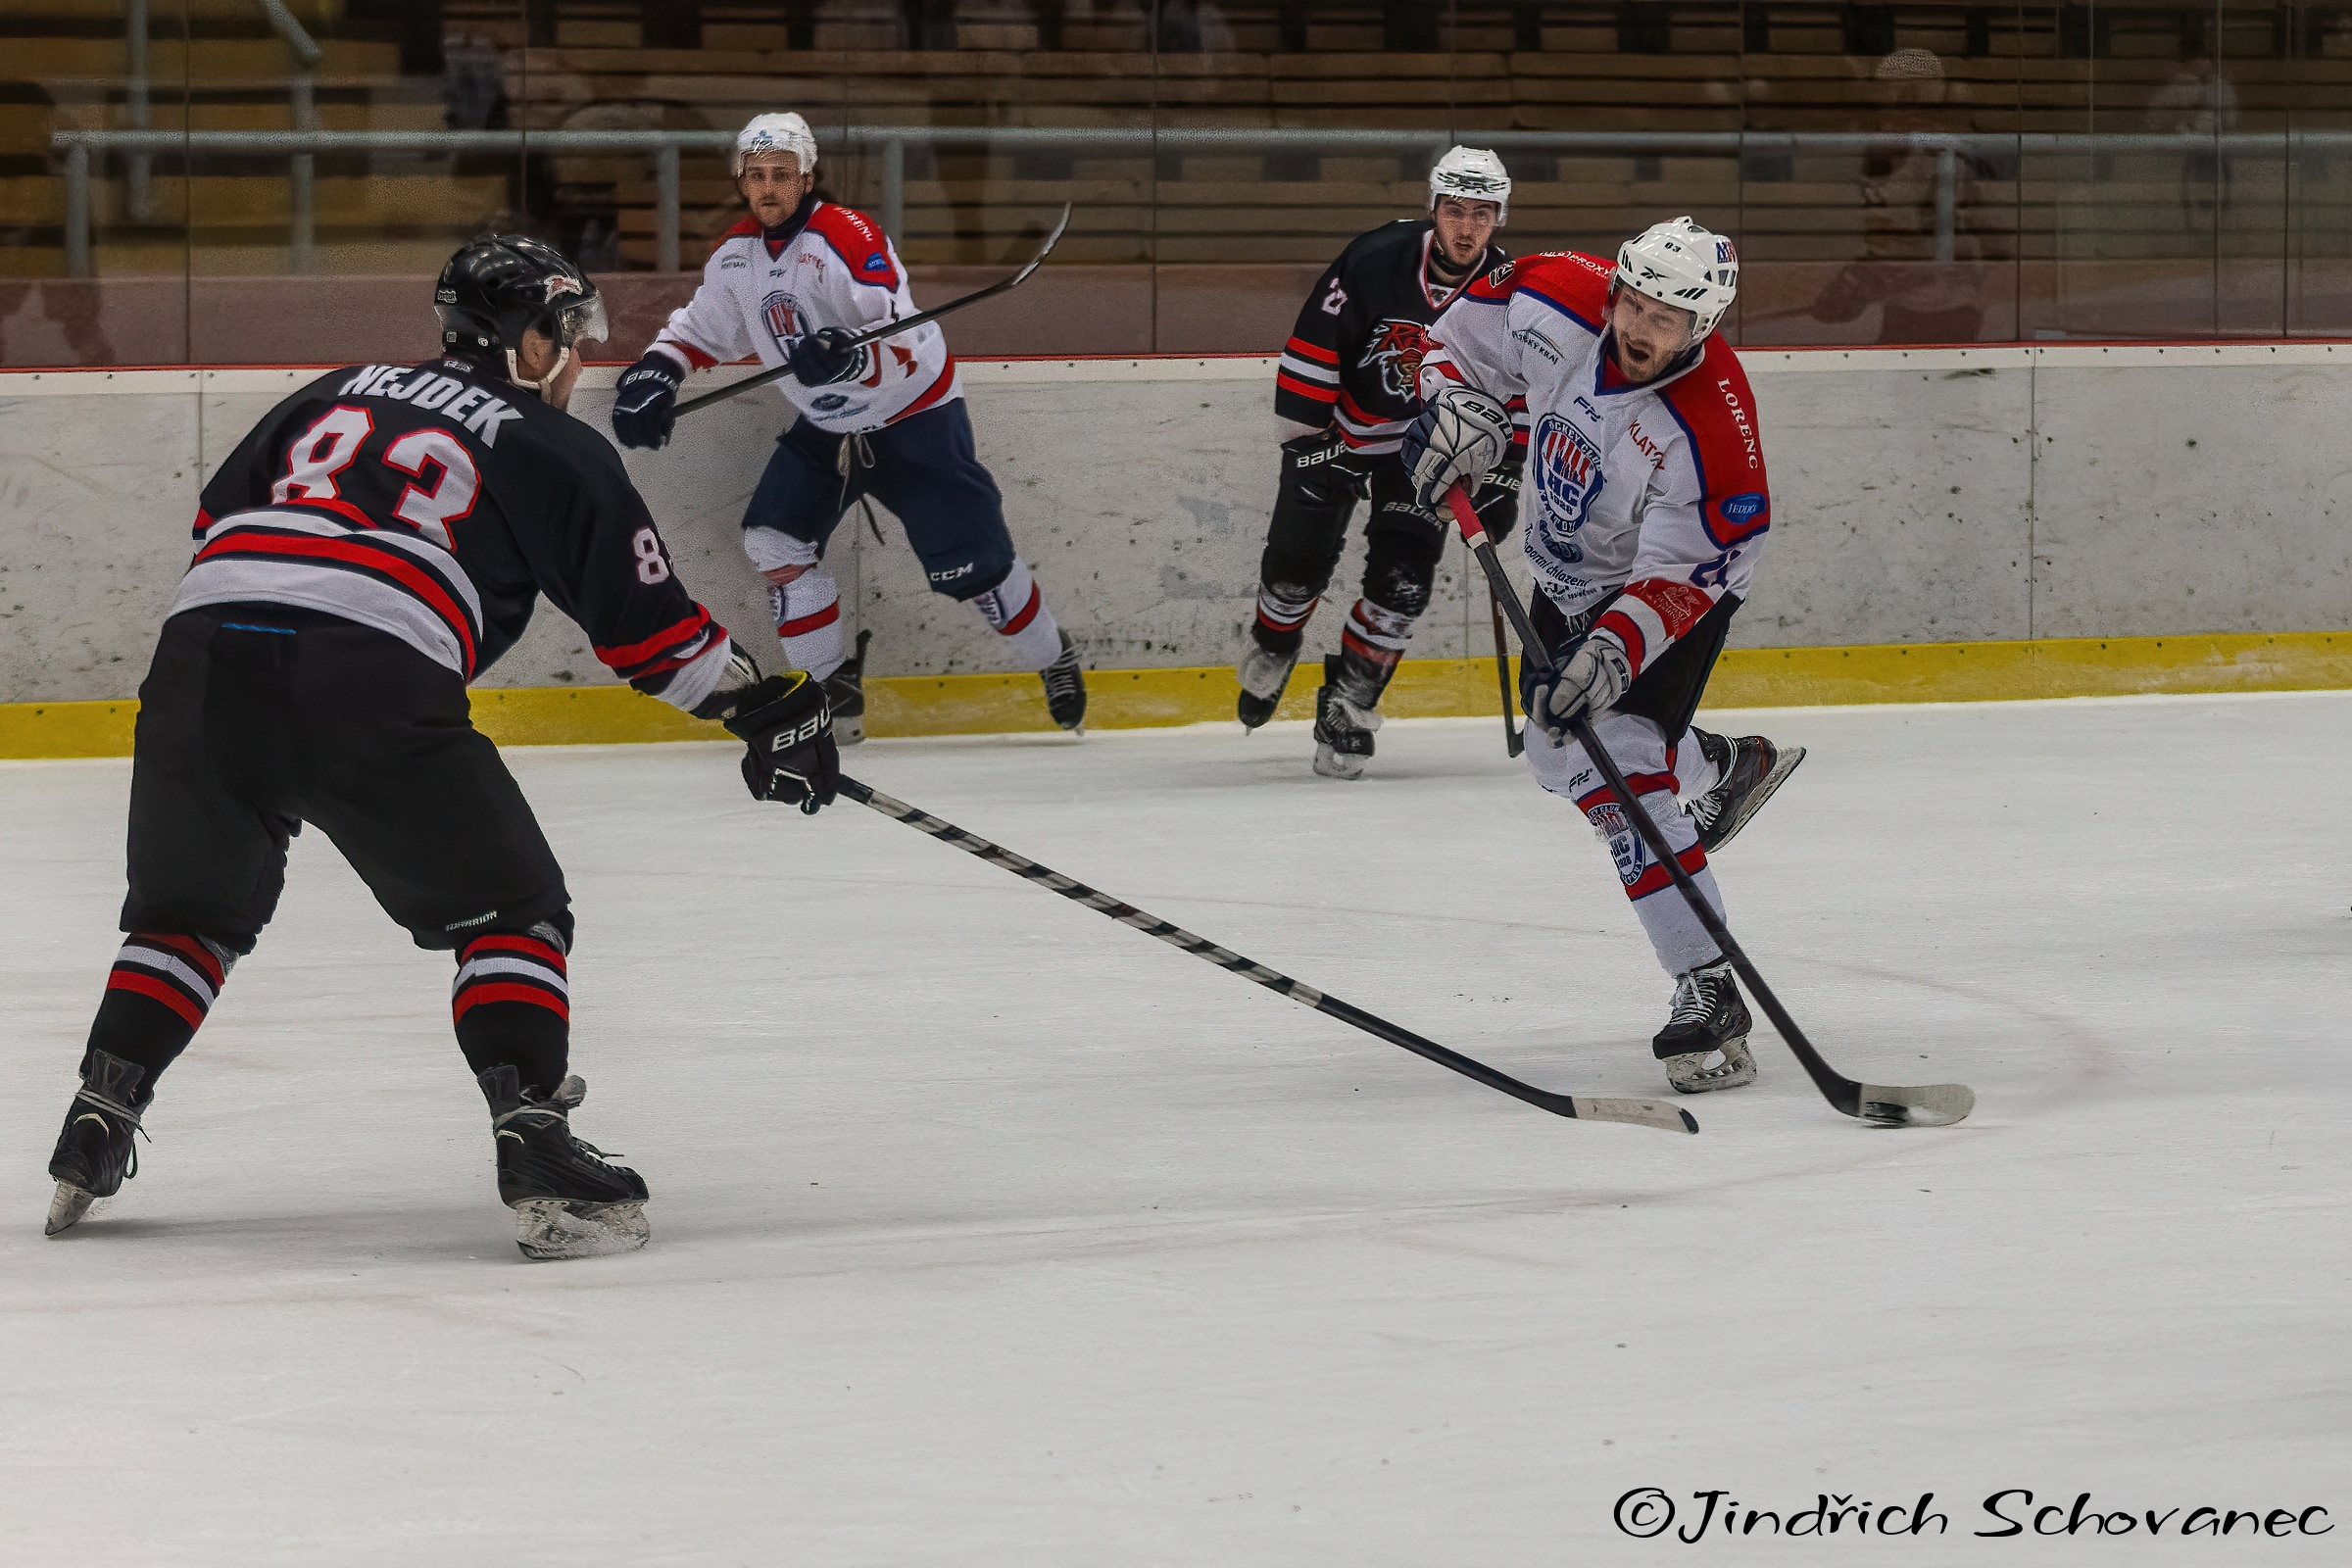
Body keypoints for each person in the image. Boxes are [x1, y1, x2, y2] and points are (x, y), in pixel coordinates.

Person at [41, 237, 840, 1259]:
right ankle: (535, 1138)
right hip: (364, 675)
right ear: (530, 340)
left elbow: (217, 525)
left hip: (200, 660)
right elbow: (656, 637)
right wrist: (765, 705)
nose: (578, 357)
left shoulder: (327, 392)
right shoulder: (552, 443)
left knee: (187, 914)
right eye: (569, 334)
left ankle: (98, 1116)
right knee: (514, 911)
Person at [1405, 218, 1805, 1096]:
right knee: (1556, 760)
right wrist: (1456, 407)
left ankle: (1708, 985)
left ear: (1703, 326)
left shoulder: (1711, 429)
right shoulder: (1551, 290)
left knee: (1618, 764)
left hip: (1669, 593)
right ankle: (1721, 766)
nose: (1639, 327)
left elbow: (1693, 567)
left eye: (1667, 318)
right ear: (1615, 286)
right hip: (1566, 570)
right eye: (1634, 303)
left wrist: (1616, 651)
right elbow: (1451, 346)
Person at [609, 111, 1086, 743]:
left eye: (782, 173)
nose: (769, 187)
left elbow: (899, 327)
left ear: (807, 177)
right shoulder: (735, 256)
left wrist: (851, 354)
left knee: (976, 570)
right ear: (741, 181)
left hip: (912, 418)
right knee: (775, 542)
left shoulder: (846, 234)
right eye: (756, 175)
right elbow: (702, 329)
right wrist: (657, 372)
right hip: (829, 426)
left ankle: (1052, 654)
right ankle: (831, 691)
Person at [1239, 145, 1524, 779]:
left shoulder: (1509, 292)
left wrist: (1505, 473)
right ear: (1433, 207)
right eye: (1456, 210)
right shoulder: (1375, 258)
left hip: (1430, 450)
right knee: (1293, 574)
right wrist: (1307, 442)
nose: (1467, 227)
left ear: (1499, 217)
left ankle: (1348, 706)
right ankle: (1275, 642)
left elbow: (1517, 386)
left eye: (1482, 213)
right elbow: (1314, 346)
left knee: (1403, 584)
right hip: (1342, 431)